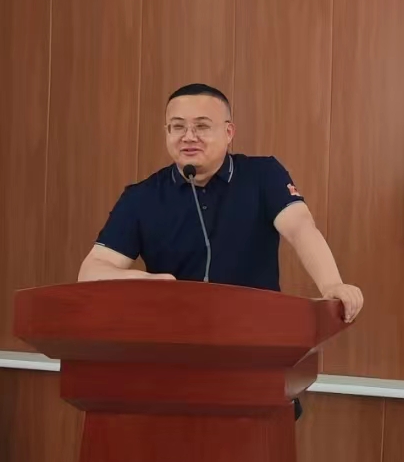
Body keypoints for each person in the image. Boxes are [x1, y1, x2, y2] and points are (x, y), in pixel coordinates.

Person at [79, 84, 364, 325]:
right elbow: (92, 271)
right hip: (172, 336)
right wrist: (145, 282)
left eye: (202, 126)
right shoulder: (141, 197)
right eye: (177, 127)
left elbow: (300, 228)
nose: (188, 136)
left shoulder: (263, 175)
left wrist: (331, 284)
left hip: (256, 332)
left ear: (229, 132)